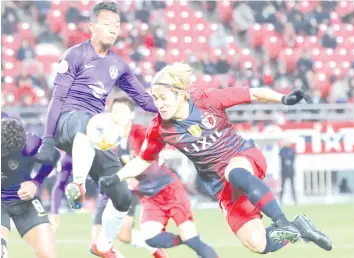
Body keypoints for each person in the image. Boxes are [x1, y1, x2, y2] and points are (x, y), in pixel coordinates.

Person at [100, 63, 333, 255]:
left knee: (235, 171)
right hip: (222, 187)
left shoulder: (206, 100)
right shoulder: (160, 129)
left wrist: (283, 99)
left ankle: (283, 221)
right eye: (155, 98)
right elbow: (143, 159)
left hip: (242, 157)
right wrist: (116, 177)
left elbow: (251, 93)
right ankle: (299, 228)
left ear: (180, 94)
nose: (158, 104)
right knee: (257, 243)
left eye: (163, 97)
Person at [34, 2, 157, 257]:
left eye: (117, 26)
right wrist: (47, 139)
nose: (113, 30)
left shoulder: (119, 65)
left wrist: (173, 109)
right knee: (87, 123)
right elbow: (57, 98)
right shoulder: (75, 54)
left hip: (93, 134)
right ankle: (78, 184)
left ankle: (102, 246)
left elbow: (145, 100)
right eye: (107, 24)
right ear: (92, 26)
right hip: (67, 123)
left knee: (122, 195)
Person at [92, 97, 218, 258]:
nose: (119, 115)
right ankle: (187, 240)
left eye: (123, 111)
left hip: (169, 190)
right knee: (151, 238)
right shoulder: (110, 142)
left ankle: (192, 241)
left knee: (192, 238)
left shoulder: (140, 133)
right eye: (115, 112)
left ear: (131, 115)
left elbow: (161, 136)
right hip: (148, 197)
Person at [1, 118, 58, 258]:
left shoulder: (32, 143)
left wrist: (35, 182)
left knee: (47, 254)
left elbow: (53, 155)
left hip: (24, 199)